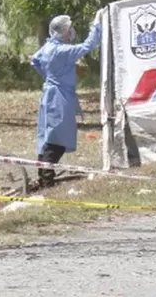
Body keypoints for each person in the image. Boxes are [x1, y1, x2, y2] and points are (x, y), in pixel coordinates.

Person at [30, 10, 104, 187]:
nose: (72, 31)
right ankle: (47, 179)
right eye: (70, 28)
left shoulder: (47, 47)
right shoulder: (62, 50)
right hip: (60, 97)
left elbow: (34, 60)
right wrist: (96, 25)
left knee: (49, 136)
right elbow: (88, 45)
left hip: (49, 94)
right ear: (63, 31)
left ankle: (44, 177)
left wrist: (49, 76)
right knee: (58, 139)